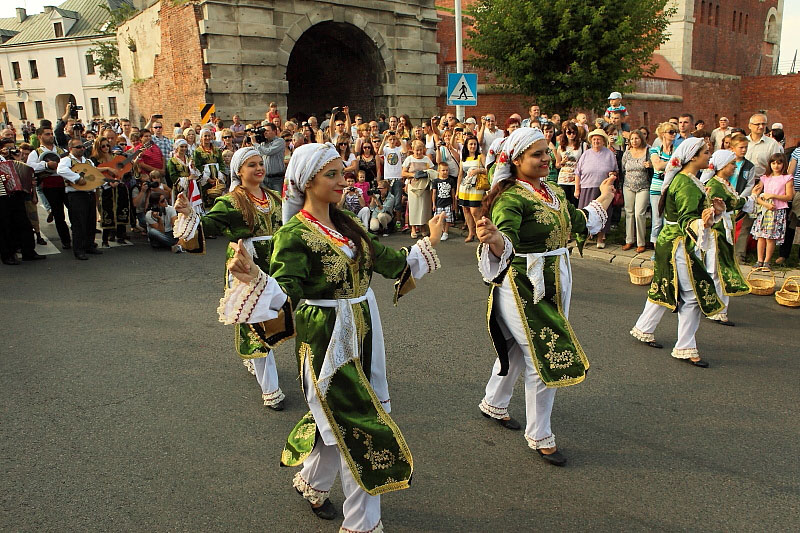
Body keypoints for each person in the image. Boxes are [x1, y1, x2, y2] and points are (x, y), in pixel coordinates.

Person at [217, 142, 446, 532]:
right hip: (326, 336)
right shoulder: (294, 234)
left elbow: (390, 262)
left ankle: (312, 482)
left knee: (338, 419)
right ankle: (362, 524)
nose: (343, 181)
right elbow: (285, 291)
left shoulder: (349, 223)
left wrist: (430, 242)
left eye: (343, 173)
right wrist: (255, 278)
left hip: (365, 330)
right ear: (308, 181)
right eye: (332, 174)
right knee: (359, 425)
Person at [474, 128, 614, 466]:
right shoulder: (511, 198)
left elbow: (578, 222)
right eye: (536, 154)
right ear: (516, 160)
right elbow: (506, 241)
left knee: (516, 350)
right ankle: (540, 435)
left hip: (554, 279)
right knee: (543, 356)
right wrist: (494, 239)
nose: (546, 159)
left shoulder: (552, 191)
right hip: (524, 284)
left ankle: (494, 402)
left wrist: (605, 196)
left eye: (546, 152)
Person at [174, 147, 287, 409]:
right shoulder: (231, 201)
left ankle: (254, 360)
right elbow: (207, 225)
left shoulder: (273, 197)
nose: (259, 168)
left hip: (273, 264)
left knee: (273, 318)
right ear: (239, 171)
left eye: (260, 163)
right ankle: (271, 390)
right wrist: (189, 213)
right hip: (245, 264)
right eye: (252, 165)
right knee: (254, 320)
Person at [630, 138, 727, 367]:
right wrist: (703, 221)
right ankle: (685, 347)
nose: (709, 155)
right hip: (679, 243)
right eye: (706, 152)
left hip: (671, 240)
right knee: (691, 296)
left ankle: (644, 328)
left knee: (664, 285)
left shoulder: (688, 179)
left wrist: (713, 212)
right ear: (693, 157)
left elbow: (692, 214)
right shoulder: (685, 184)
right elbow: (686, 219)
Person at [700, 150, 762, 325]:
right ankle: (715, 310)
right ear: (722, 166)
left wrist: (751, 197)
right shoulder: (715, 185)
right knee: (716, 270)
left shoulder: (723, 183)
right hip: (717, 233)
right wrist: (753, 197)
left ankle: (714, 307)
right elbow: (734, 203)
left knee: (718, 270)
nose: (735, 166)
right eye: (732, 164)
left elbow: (734, 203)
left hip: (723, 231)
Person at [736, 114, 784, 262]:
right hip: (744, 183)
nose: (761, 127)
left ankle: (762, 257)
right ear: (750, 125)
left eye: (763, 124)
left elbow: (778, 164)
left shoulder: (772, 144)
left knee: (764, 220)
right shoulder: (743, 141)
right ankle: (739, 254)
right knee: (744, 218)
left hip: (765, 183)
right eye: (757, 124)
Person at [57, 139, 102, 260]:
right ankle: (79, 249)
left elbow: (95, 175)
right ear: (70, 148)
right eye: (78, 147)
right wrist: (76, 178)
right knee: (79, 223)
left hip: (89, 194)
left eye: (82, 147)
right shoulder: (67, 160)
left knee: (90, 222)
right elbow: (61, 170)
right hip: (76, 195)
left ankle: (89, 245)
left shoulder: (88, 161)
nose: (82, 149)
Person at [28, 127, 70, 250]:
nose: (51, 136)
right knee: (59, 215)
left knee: (74, 211)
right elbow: (30, 167)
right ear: (39, 136)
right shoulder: (35, 153)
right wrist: (46, 165)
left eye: (51, 134)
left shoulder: (61, 150)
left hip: (65, 184)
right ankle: (66, 240)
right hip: (50, 186)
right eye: (47, 134)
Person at [574, 129, 617, 248]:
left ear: (603, 141)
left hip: (603, 189)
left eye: (598, 139)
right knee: (585, 214)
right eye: (594, 139)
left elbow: (615, 170)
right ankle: (583, 237)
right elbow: (577, 173)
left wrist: (612, 175)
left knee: (602, 213)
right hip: (587, 187)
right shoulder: (586, 154)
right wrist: (577, 189)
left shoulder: (609, 154)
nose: (596, 141)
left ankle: (600, 237)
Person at [751, 153, 794, 269]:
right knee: (761, 236)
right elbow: (756, 195)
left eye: (779, 163)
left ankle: (767, 261)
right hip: (764, 210)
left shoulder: (787, 178)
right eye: (773, 163)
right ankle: (759, 260)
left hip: (777, 211)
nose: (776, 166)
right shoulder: (765, 178)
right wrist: (765, 203)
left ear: (783, 164)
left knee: (770, 238)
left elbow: (789, 196)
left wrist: (773, 196)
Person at [91, 137, 131, 247]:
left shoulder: (115, 156)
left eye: (107, 145)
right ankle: (105, 239)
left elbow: (123, 170)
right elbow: (93, 170)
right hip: (106, 189)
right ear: (98, 147)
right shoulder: (95, 159)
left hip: (119, 186)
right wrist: (107, 169)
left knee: (121, 210)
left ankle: (121, 236)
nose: (106, 148)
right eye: (103, 146)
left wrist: (118, 180)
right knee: (107, 212)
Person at [621, 130, 652, 252]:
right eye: (632, 139)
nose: (634, 141)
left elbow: (653, 166)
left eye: (636, 138)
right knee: (629, 212)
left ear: (641, 139)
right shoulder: (627, 153)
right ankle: (629, 240)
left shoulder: (648, 151)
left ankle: (641, 242)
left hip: (643, 186)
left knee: (639, 213)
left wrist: (650, 165)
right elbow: (623, 168)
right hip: (628, 185)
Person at [648, 122, 677, 248]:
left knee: (668, 220)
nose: (674, 134)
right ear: (663, 134)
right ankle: (656, 249)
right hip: (656, 188)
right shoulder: (655, 150)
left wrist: (667, 163)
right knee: (657, 220)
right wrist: (672, 163)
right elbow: (657, 165)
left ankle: (666, 248)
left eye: (675, 132)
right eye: (671, 132)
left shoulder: (676, 150)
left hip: (670, 187)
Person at [457, 136, 487, 243]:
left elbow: (488, 170)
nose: (473, 146)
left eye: (475, 144)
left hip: (476, 187)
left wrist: (478, 170)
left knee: (475, 211)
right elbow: (460, 174)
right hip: (464, 187)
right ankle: (471, 233)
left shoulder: (480, 156)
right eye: (470, 144)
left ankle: (480, 233)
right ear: (466, 145)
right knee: (466, 210)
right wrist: (457, 190)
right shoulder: (463, 158)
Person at [402, 140, 434, 238]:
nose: (419, 152)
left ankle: (423, 227)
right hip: (413, 186)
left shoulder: (426, 159)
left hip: (424, 186)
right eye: (417, 150)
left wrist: (426, 173)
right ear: (413, 149)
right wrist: (413, 175)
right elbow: (403, 173)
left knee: (424, 207)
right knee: (414, 207)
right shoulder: (409, 159)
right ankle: (413, 228)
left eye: (420, 150)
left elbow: (432, 170)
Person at [778, 144, 800, 264]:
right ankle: (783, 254)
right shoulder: (797, 152)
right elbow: (790, 173)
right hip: (796, 193)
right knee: (790, 225)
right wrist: (791, 190)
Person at [555, 122, 586, 205]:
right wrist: (562, 162)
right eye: (569, 132)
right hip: (563, 179)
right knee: (564, 204)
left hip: (576, 179)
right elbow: (557, 165)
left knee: (575, 203)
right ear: (565, 133)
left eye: (574, 132)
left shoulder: (582, 145)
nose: (571, 135)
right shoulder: (561, 147)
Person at [193, 129, 225, 210]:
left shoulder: (217, 150)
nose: (207, 138)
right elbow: (198, 165)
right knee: (206, 197)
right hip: (205, 178)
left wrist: (220, 175)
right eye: (205, 136)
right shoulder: (197, 151)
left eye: (209, 136)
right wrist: (207, 178)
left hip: (217, 177)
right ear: (201, 138)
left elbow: (221, 163)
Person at [431, 161, 455, 240]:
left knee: (448, 219)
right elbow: (434, 193)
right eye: (443, 170)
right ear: (438, 170)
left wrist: (454, 203)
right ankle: (441, 231)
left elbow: (453, 193)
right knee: (439, 219)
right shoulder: (435, 181)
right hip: (439, 203)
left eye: (447, 170)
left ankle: (446, 232)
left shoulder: (451, 181)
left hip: (448, 203)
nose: (445, 172)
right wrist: (433, 204)